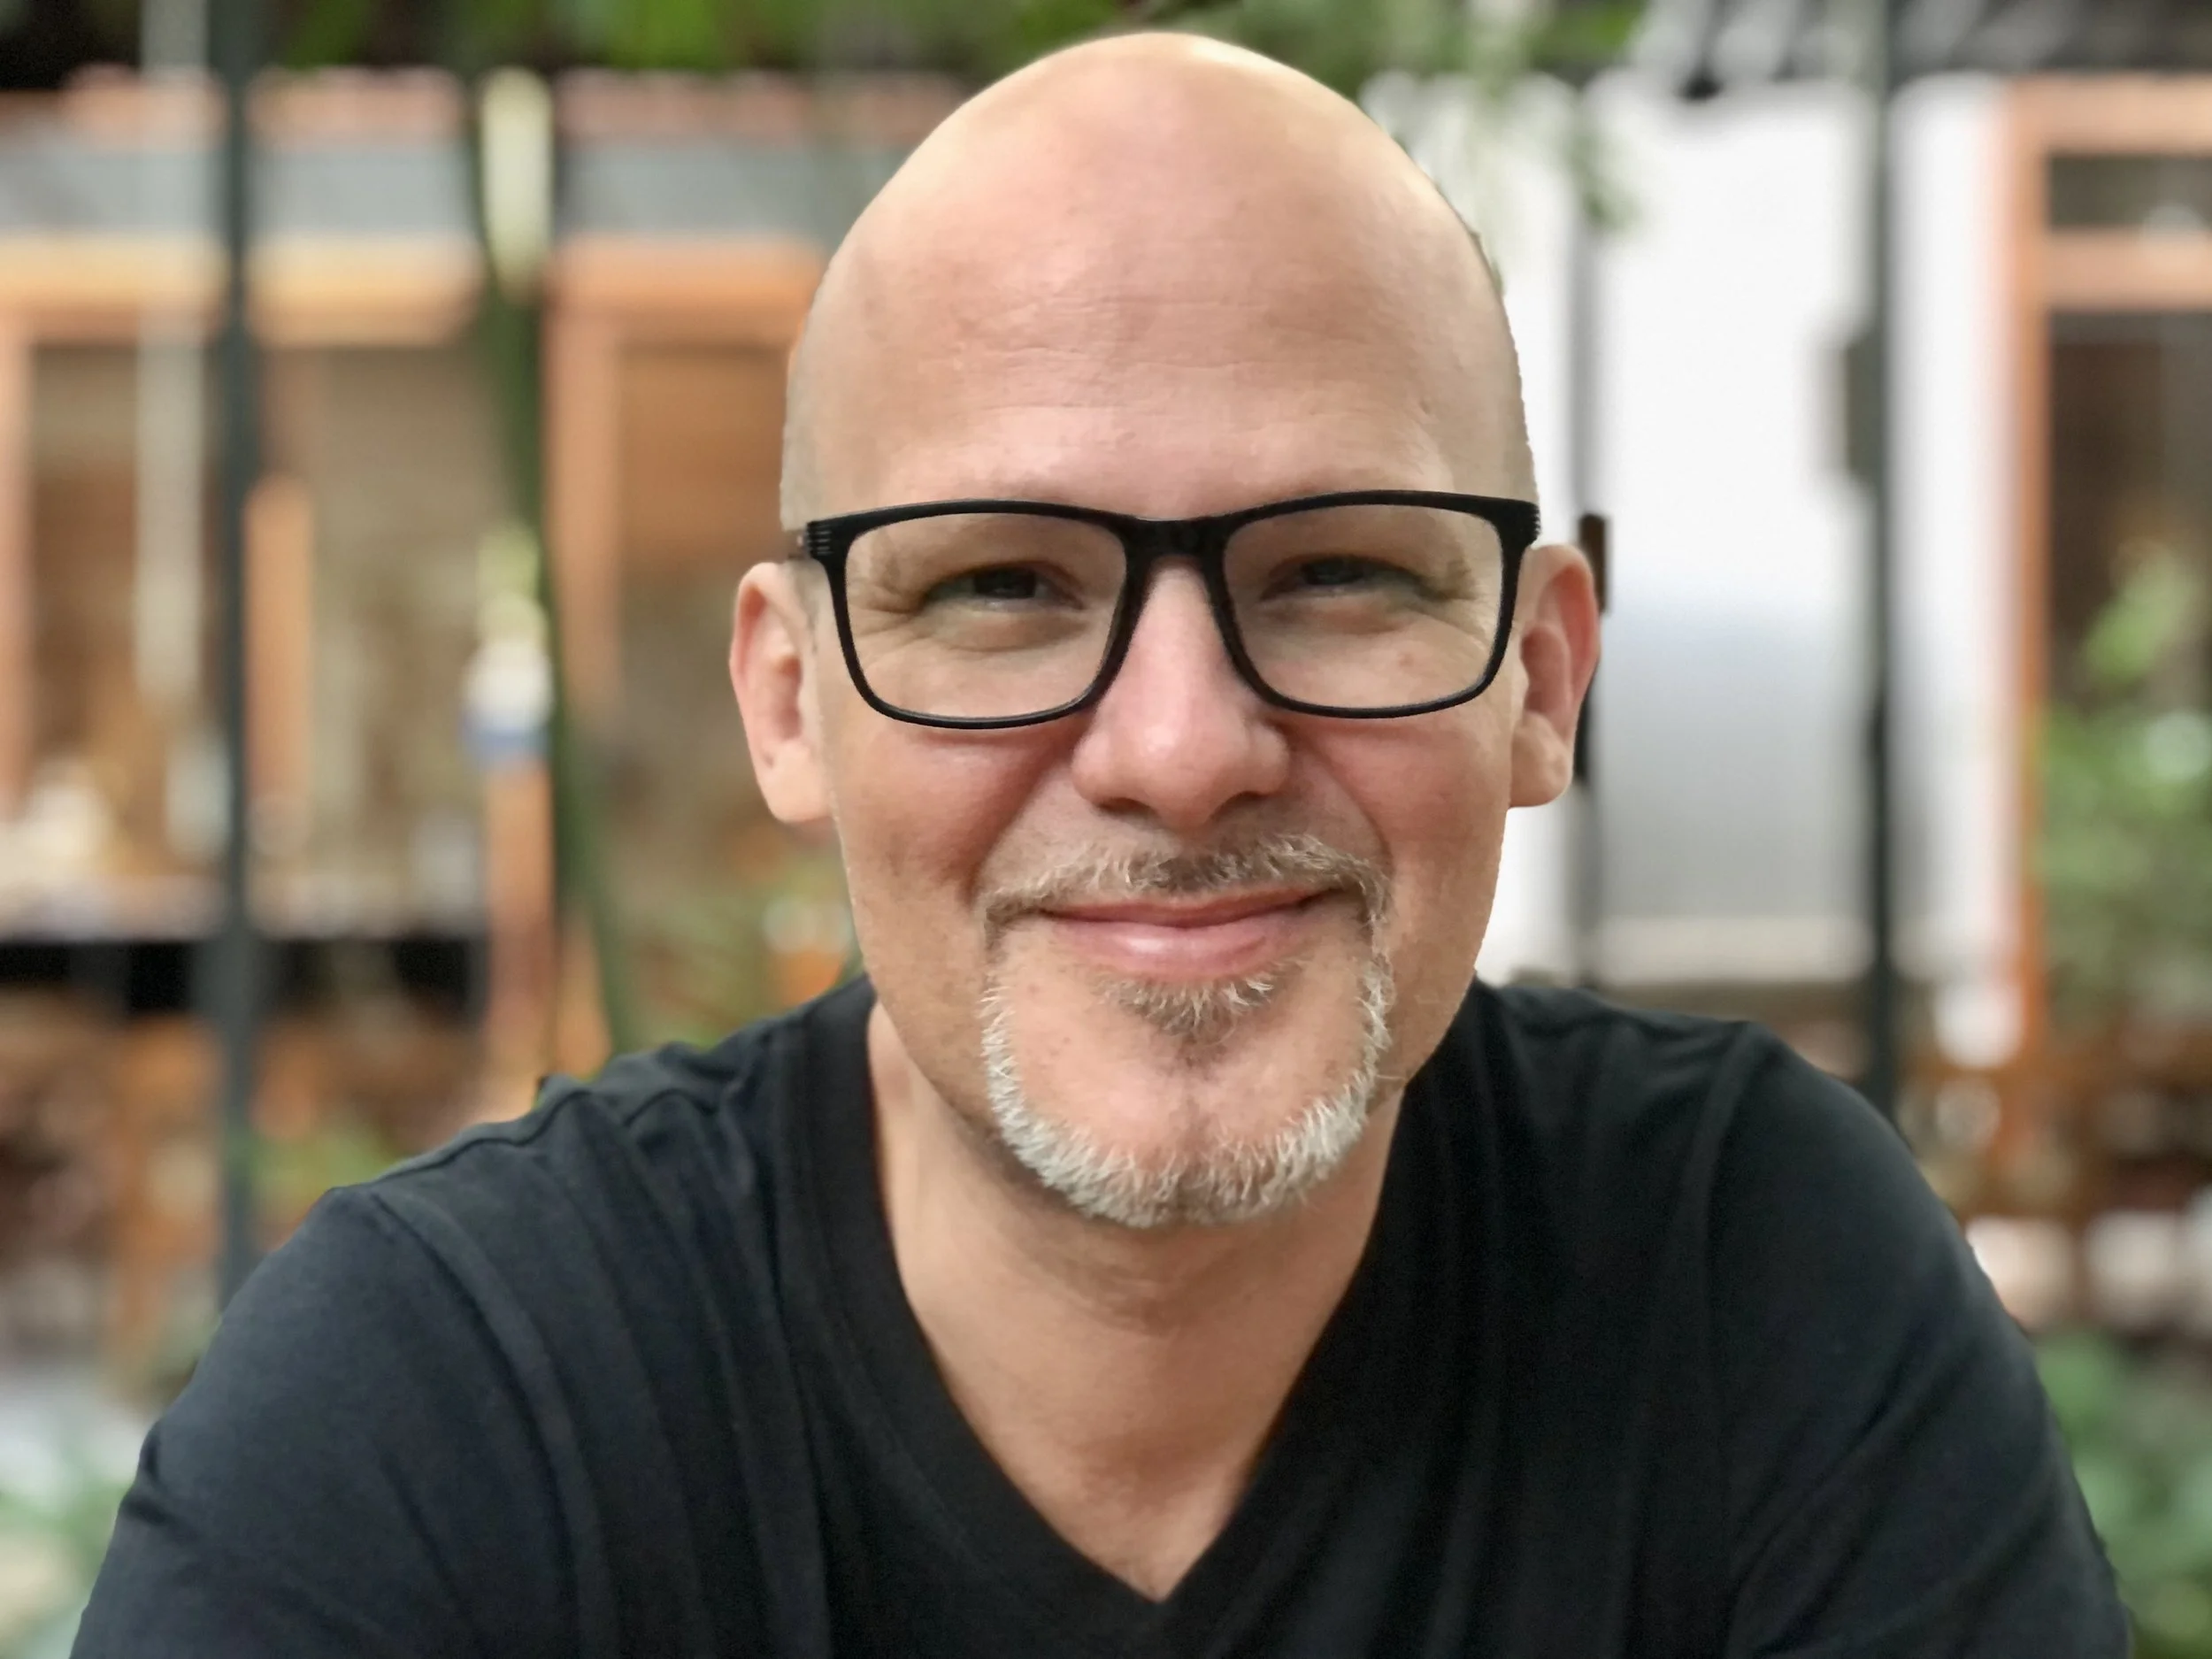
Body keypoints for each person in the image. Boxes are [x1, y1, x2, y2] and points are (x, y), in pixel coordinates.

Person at [75, 32, 2123, 1659]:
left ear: (1540, 674)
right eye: (1000, 589)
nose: (1178, 748)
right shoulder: (445, 1410)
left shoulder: (1752, 1287)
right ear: (792, 700)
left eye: (1332, 571)